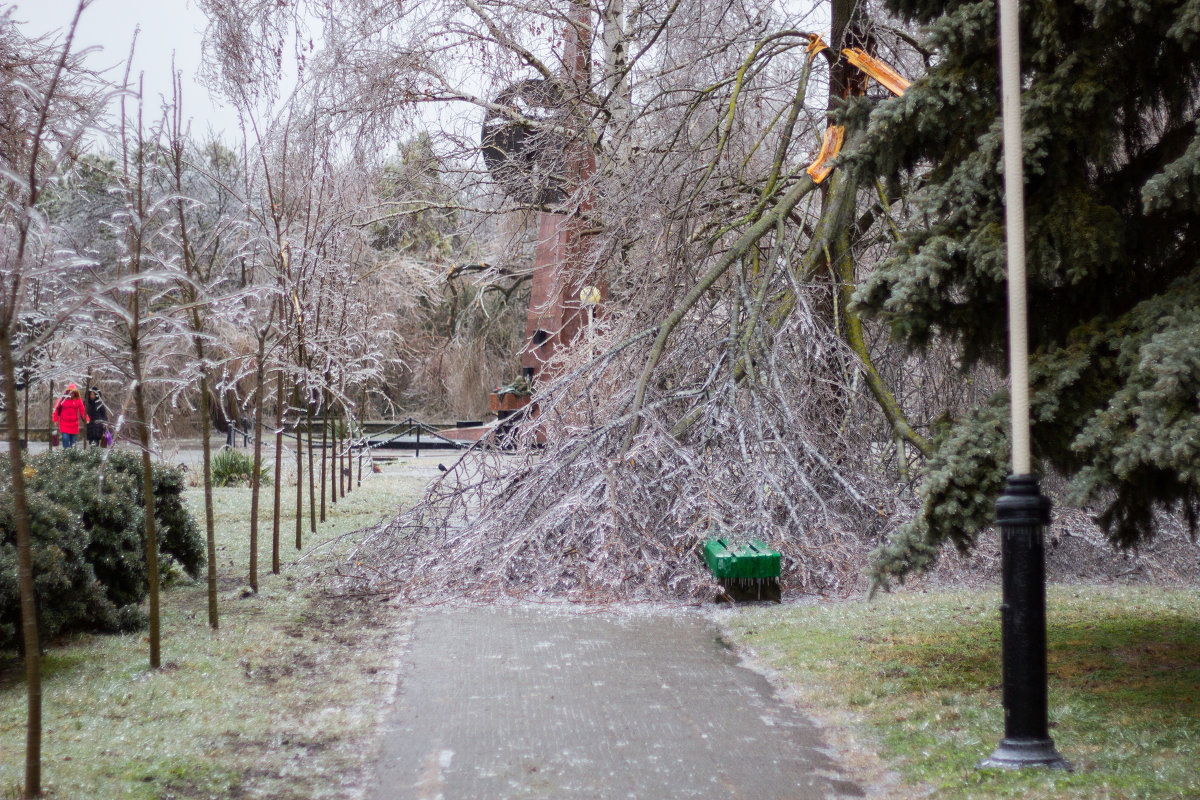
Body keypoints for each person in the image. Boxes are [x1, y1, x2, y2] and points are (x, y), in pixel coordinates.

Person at [52, 384, 89, 449]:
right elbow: (56, 408)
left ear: (75, 392)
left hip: (74, 424)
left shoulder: (78, 399)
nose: (71, 394)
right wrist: (55, 419)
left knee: (73, 442)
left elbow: (82, 410)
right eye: (70, 392)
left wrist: (86, 418)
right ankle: (66, 454)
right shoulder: (62, 398)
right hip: (64, 423)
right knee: (65, 439)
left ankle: (73, 456)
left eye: (73, 392)